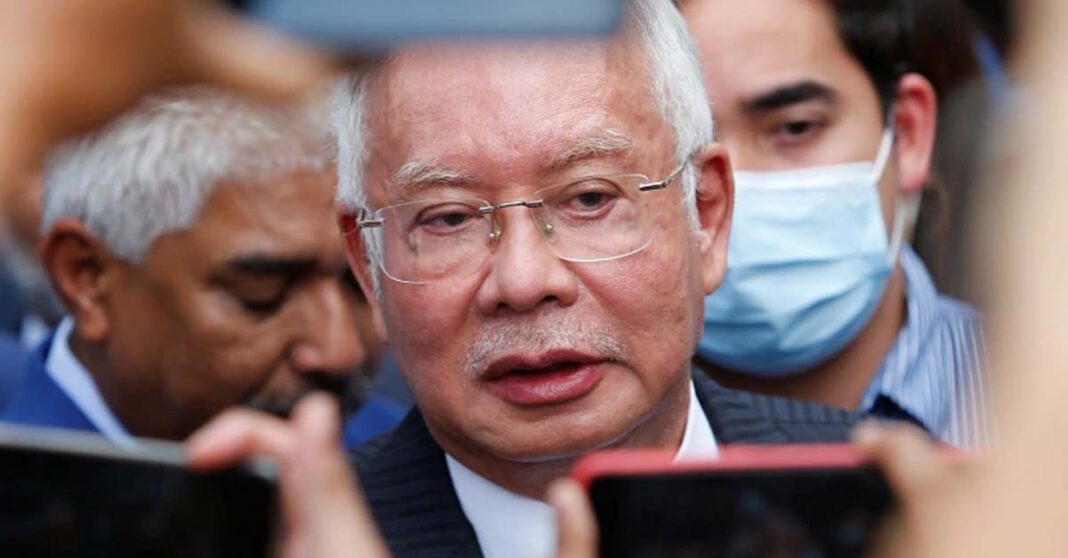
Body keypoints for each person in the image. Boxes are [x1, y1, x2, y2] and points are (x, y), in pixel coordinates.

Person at [324, 0, 860, 554]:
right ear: (369, 267)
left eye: (589, 198)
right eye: (450, 218)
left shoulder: (905, 507)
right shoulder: (295, 537)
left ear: (706, 214)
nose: (524, 281)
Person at [681, 0, 990, 448]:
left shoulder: (1038, 395)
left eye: (795, 127)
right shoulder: (575, 427)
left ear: (907, 133)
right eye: (692, 144)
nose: (734, 184)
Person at [1, 88, 372, 445]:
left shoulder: (400, 462)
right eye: (263, 294)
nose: (341, 350)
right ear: (86, 277)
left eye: (359, 281)